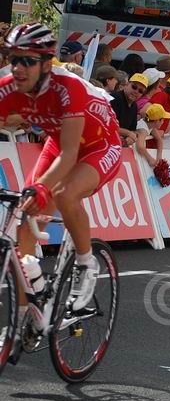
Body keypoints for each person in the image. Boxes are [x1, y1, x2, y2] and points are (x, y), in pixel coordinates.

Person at [0, 23, 121, 315]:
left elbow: (69, 155)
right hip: (58, 143)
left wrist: (42, 186)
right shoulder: (9, 87)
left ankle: (85, 264)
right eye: (14, 58)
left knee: (64, 194)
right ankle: (28, 315)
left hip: (99, 146)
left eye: (28, 60)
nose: (18, 67)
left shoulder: (68, 87)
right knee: (24, 227)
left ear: (45, 64)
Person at [110, 72, 148, 146]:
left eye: (140, 91)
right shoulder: (115, 98)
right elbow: (108, 125)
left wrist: (131, 138)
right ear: (127, 84)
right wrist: (128, 133)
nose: (136, 91)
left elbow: (133, 129)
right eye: (134, 87)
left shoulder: (134, 106)